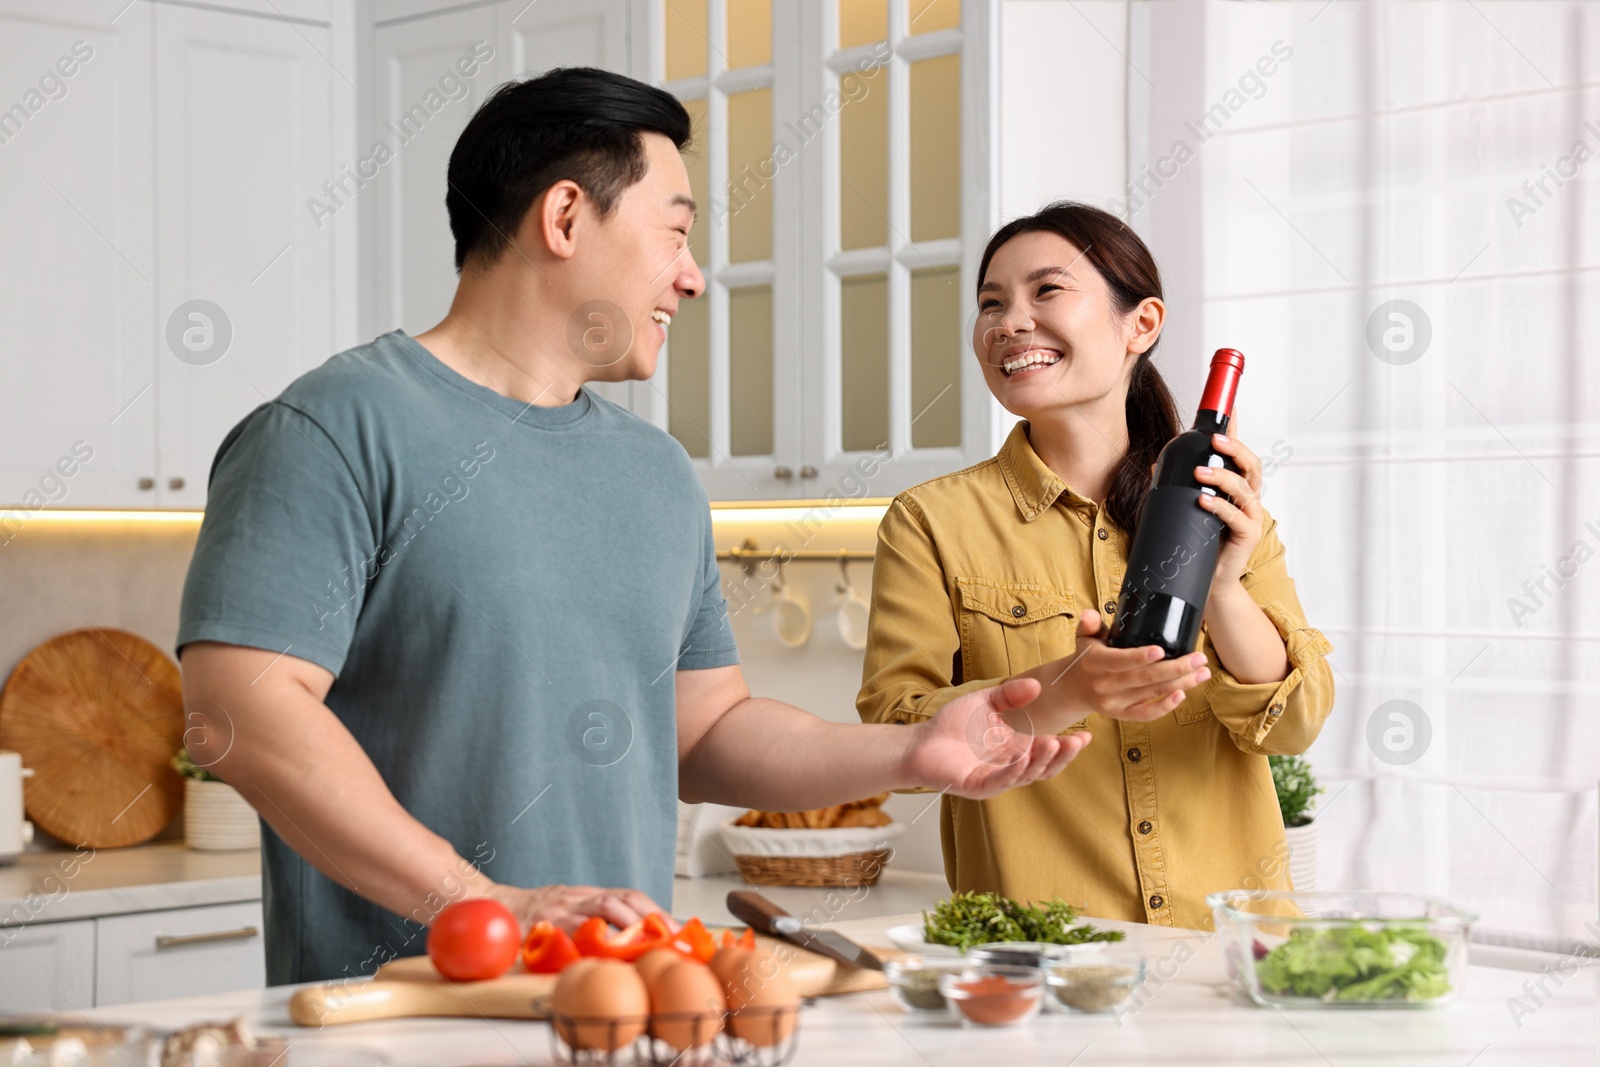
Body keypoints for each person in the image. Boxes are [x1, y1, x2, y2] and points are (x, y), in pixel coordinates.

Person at [176, 69, 1090, 985]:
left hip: (617, 1011)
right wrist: (484, 900)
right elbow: (237, 711)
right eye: (678, 233)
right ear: (565, 218)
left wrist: (911, 751)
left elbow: (705, 731)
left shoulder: (655, 473)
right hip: (395, 1023)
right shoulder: (336, 427)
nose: (693, 277)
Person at [856, 202, 1336, 929]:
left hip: (1230, 952)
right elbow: (895, 728)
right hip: (1044, 954)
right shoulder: (932, 522)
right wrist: (1065, 689)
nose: (1009, 321)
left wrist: (1225, 587)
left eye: (1046, 291)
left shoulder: (1222, 504)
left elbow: (1294, 722)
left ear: (1140, 324)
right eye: (991, 303)